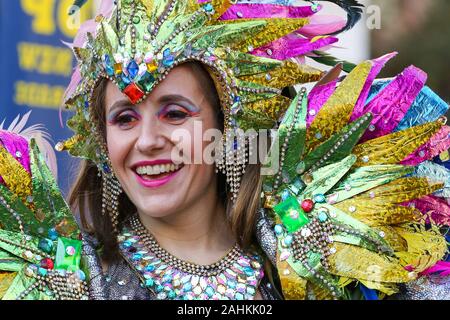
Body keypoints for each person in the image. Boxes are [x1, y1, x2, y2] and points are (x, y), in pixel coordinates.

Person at [1, 0, 450, 300]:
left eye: (175, 113)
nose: (147, 140)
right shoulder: (65, 281)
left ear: (228, 128)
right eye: (124, 118)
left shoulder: (321, 256)